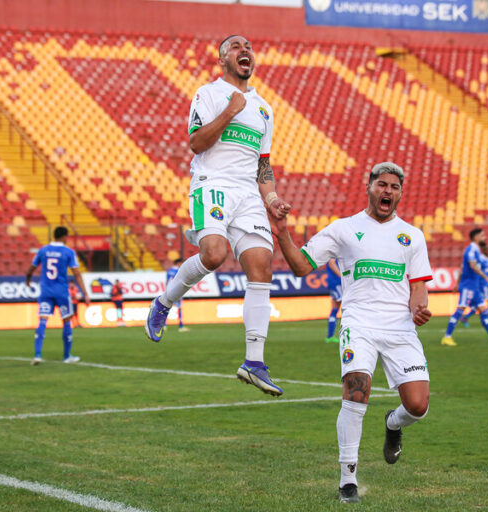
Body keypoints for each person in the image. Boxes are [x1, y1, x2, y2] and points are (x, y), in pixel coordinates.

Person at [269, 162, 433, 504]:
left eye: (394, 187)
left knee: (417, 406)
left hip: (399, 328)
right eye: (382, 184)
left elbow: (418, 287)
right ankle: (348, 479)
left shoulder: (412, 236)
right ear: (369, 187)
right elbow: (301, 266)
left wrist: (419, 308)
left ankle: (393, 424)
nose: (388, 191)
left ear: (400, 194)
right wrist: (282, 232)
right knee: (357, 392)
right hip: (358, 324)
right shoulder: (343, 230)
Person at [144, 34, 291, 397]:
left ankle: (254, 362)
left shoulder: (264, 108)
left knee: (262, 266)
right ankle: (164, 303)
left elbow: (264, 165)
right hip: (212, 184)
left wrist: (271, 199)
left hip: (248, 194)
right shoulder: (207, 94)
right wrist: (229, 112)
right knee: (214, 254)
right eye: (237, 47)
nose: (246, 51)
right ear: (223, 58)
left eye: (250, 48)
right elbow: (196, 143)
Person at [26, 226, 90, 365]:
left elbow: (32, 267)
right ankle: (67, 356)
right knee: (66, 321)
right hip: (61, 292)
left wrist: (28, 279)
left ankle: (37, 354)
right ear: (65, 237)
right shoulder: (68, 252)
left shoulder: (43, 250)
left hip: (45, 291)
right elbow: (77, 273)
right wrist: (85, 293)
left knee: (42, 320)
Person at [441, 228, 488, 346]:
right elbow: (472, 266)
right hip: (468, 286)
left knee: (483, 310)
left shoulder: (476, 251)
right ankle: (447, 337)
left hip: (474, 287)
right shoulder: (471, 250)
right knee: (460, 309)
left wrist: (457, 284)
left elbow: (463, 268)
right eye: (482, 236)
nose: (485, 238)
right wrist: (485, 277)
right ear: (476, 237)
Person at [459, 243, 488, 328]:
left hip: (486, 283)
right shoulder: (480, 258)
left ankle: (465, 317)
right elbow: (475, 268)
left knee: (479, 304)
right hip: (482, 283)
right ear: (484, 250)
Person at [166, 258, 189, 332]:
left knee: (167, 309)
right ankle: (181, 326)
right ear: (178, 263)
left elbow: (167, 281)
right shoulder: (178, 271)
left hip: (168, 291)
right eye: (181, 263)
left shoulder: (169, 271)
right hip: (177, 292)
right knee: (179, 308)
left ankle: (164, 326)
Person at [325, 258, 342, 343]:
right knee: (346, 307)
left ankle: (330, 336)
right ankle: (347, 334)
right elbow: (331, 263)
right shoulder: (336, 247)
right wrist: (341, 275)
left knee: (335, 309)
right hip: (337, 282)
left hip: (332, 281)